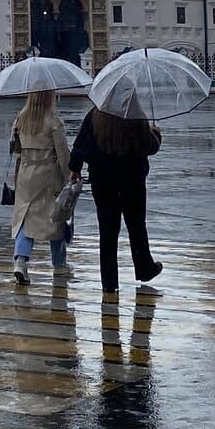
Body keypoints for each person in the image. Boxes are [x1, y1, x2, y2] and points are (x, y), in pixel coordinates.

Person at [69, 108, 163, 295]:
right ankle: (144, 268)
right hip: (133, 180)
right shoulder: (136, 116)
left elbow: (80, 146)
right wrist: (156, 134)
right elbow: (150, 147)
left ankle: (109, 282)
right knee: (136, 225)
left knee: (107, 231)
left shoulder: (95, 116)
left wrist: (75, 167)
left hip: (102, 181)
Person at [9, 89, 71, 285]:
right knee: (56, 217)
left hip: (25, 174)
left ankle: (20, 261)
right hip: (48, 175)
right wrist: (69, 177)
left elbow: (15, 148)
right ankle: (59, 264)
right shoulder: (54, 121)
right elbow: (63, 154)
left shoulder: (21, 118)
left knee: (24, 219)